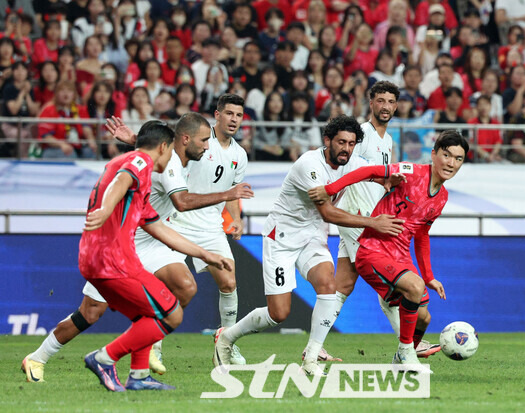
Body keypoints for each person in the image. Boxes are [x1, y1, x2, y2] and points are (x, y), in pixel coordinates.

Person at [21, 114, 254, 383]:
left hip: (146, 244)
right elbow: (168, 195)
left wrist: (204, 254)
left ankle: (141, 366)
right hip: (117, 250)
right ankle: (42, 357)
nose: (208, 146)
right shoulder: (154, 163)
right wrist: (105, 209)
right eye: (204, 140)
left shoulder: (162, 159)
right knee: (91, 312)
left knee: (183, 288)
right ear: (182, 141)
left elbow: (154, 221)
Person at [213, 115, 405, 376]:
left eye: (351, 143)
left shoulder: (351, 163)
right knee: (279, 313)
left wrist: (396, 178)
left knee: (328, 286)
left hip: (313, 236)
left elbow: (379, 172)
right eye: (341, 142)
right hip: (281, 237)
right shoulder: (309, 164)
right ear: (327, 141)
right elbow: (327, 213)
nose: (346, 148)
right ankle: (226, 337)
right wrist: (373, 222)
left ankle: (311, 358)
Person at [308, 130, 469, 368]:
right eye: (447, 155)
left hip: (400, 256)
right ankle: (406, 352)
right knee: (414, 288)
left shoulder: (441, 197)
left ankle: (403, 357)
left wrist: (429, 276)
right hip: (374, 249)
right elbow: (368, 172)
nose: (451, 163)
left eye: (458, 159)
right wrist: (330, 190)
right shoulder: (412, 172)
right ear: (434, 154)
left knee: (424, 318)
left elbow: (422, 234)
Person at [327, 81, 441, 361]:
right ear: (371, 102)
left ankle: (314, 347)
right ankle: (410, 347)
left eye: (391, 101)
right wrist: (334, 193)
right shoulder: (362, 134)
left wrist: (389, 182)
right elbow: (348, 167)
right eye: (380, 100)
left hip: (370, 216)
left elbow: (376, 176)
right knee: (393, 286)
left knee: (343, 285)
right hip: (362, 218)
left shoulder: (387, 140)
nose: (386, 107)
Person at [166, 94, 251, 365]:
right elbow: (166, 149)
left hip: (211, 225)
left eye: (238, 115)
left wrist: (235, 218)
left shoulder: (240, 154)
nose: (234, 119)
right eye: (229, 114)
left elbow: (231, 195)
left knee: (229, 281)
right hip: (179, 219)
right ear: (217, 115)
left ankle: (225, 343)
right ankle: (153, 344)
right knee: (170, 285)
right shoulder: (199, 140)